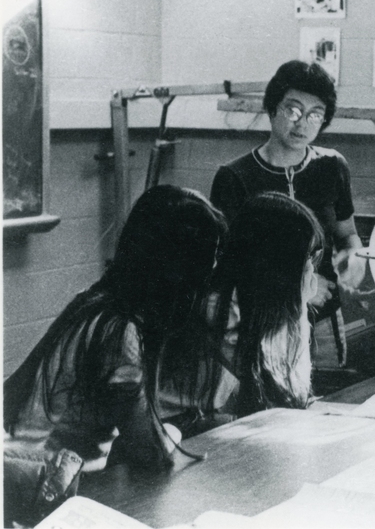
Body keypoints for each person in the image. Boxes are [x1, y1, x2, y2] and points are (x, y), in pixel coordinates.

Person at [4, 185, 227, 526]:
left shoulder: (103, 301)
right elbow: (150, 451)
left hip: (35, 476)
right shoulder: (117, 330)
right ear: (177, 266)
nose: (212, 267)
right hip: (33, 489)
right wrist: (174, 436)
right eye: (207, 255)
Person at [210, 60, 365, 340]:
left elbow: (348, 233)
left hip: (322, 321)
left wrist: (355, 256)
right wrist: (298, 288)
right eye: (293, 110)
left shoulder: (333, 166)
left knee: (335, 386)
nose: (302, 123)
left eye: (315, 115)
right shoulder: (235, 177)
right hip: (259, 323)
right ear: (272, 108)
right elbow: (228, 267)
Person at [207, 192, 325, 417]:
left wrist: (300, 308)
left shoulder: (273, 307)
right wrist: (299, 308)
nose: (311, 268)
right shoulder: (225, 312)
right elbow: (283, 397)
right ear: (276, 266)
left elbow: (297, 396)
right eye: (306, 257)